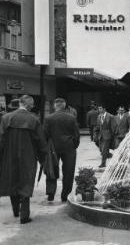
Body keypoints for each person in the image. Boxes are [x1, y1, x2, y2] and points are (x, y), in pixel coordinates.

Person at [0, 95, 47, 224]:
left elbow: (1, 139)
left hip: (9, 156)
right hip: (28, 156)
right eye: (31, 105)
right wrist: (43, 158)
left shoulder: (6, 118)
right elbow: (40, 142)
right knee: (26, 183)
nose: (32, 107)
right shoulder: (34, 119)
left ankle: (16, 211)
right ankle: (24, 216)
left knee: (12, 180)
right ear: (28, 105)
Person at [43, 98, 80, 202]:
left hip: (53, 147)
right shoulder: (72, 118)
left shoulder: (49, 118)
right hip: (69, 147)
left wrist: (46, 147)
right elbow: (76, 134)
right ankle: (65, 195)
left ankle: (51, 193)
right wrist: (74, 145)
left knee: (51, 169)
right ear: (64, 105)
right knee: (68, 171)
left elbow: (45, 134)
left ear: (55, 106)